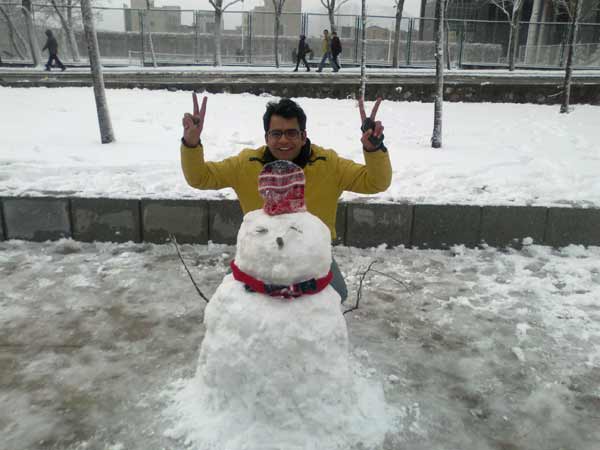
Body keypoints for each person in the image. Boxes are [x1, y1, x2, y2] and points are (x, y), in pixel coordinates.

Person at [180, 96, 391, 303]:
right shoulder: (246, 163)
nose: (283, 140)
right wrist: (191, 143)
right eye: (276, 133)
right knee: (229, 298)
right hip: (259, 252)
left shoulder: (328, 164)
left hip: (310, 254)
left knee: (337, 295)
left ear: (303, 135)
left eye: (291, 133)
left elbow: (375, 182)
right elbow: (200, 177)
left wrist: (373, 149)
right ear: (266, 137)